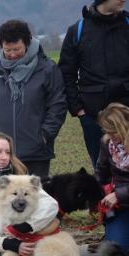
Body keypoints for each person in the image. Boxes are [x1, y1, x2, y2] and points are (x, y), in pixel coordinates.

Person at [0, 19, 67, 178]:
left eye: (16, 49)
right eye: (7, 50)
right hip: (3, 155)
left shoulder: (47, 69)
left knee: (34, 200)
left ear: (27, 43)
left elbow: (57, 104)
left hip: (36, 153)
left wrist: (44, 135)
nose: (11, 54)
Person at [58, 0, 129, 169]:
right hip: (93, 116)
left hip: (127, 112)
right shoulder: (78, 31)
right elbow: (65, 73)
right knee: (102, 171)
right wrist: (78, 109)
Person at [95, 103, 129, 256]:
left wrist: (119, 195)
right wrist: (97, 194)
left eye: (112, 130)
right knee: (113, 250)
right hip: (121, 206)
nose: (109, 134)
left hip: (121, 196)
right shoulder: (107, 143)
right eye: (106, 130)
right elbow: (101, 174)